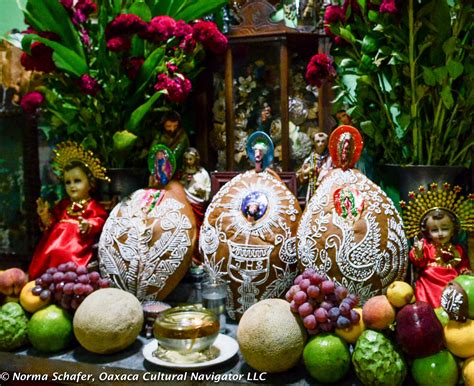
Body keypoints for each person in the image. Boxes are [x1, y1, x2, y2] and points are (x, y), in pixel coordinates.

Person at [29, 142, 109, 279]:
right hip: (52, 246)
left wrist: (88, 225)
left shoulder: (92, 205)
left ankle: (68, 281)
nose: (72, 186)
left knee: (62, 253)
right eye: (68, 182)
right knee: (51, 251)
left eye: (77, 181)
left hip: (77, 246)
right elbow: (51, 222)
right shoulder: (63, 204)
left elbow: (100, 219)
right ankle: (47, 280)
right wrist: (45, 216)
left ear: (90, 183)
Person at [402, 184, 472, 308]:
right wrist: (418, 251)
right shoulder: (427, 247)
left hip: (451, 284)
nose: (440, 234)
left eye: (445, 229)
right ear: (427, 232)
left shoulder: (458, 250)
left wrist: (465, 272)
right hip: (428, 284)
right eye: (434, 230)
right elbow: (418, 262)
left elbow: (463, 267)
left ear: (453, 230)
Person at [296, 131, 333, 202]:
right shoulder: (309, 159)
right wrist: (306, 173)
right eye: (318, 141)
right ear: (314, 143)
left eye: (323, 141)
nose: (320, 144)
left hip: (327, 189)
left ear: (326, 143)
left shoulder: (331, 158)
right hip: (313, 190)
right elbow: (300, 177)